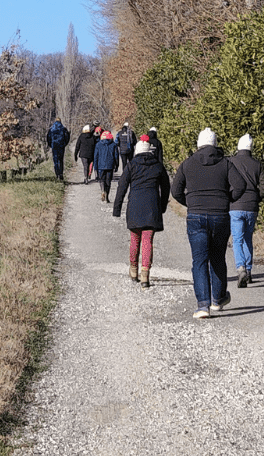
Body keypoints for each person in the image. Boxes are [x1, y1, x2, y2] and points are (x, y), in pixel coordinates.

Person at [171, 128, 236, 319]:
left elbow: (176, 191)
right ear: (215, 144)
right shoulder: (225, 163)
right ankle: (218, 299)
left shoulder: (188, 164)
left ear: (198, 145)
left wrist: (190, 202)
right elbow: (240, 186)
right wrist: (226, 200)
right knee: (218, 258)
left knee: (199, 261)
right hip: (220, 216)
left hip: (196, 216)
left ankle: (202, 306)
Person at [113, 135, 169, 286]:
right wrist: (162, 206)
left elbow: (122, 187)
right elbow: (166, 187)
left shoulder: (131, 165)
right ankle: (145, 274)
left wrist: (117, 208)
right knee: (147, 241)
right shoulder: (157, 165)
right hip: (152, 206)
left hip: (135, 206)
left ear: (137, 150)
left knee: (135, 239)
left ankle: (133, 270)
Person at [227, 133, 264, 289]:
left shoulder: (231, 162)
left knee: (237, 238)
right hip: (252, 206)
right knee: (248, 238)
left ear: (238, 146)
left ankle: (241, 268)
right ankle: (249, 270)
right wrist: (256, 198)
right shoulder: (257, 165)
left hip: (236, 205)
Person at [93, 130, 119, 202]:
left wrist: (95, 167)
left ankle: (102, 190)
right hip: (110, 165)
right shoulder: (113, 145)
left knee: (101, 180)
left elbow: (96, 157)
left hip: (100, 166)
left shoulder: (98, 145)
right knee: (108, 181)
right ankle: (107, 195)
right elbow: (116, 156)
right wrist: (117, 165)